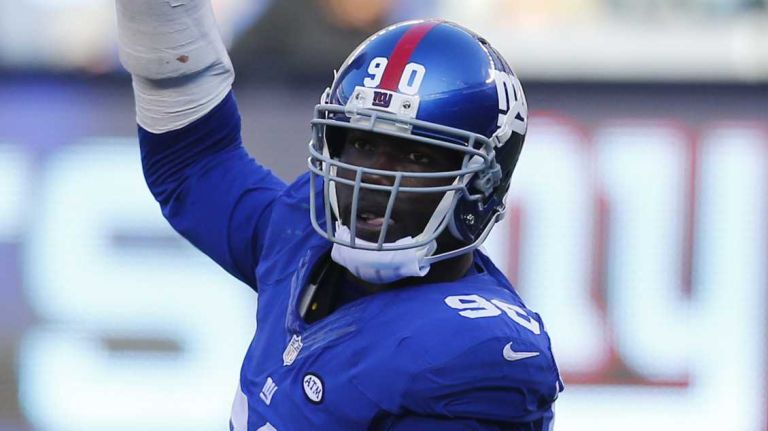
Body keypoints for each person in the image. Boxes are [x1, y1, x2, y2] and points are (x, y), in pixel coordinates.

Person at [116, 1, 564, 429]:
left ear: (482, 184)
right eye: (364, 146)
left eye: (416, 156)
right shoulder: (303, 237)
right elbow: (193, 164)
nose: (373, 178)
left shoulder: (475, 354)